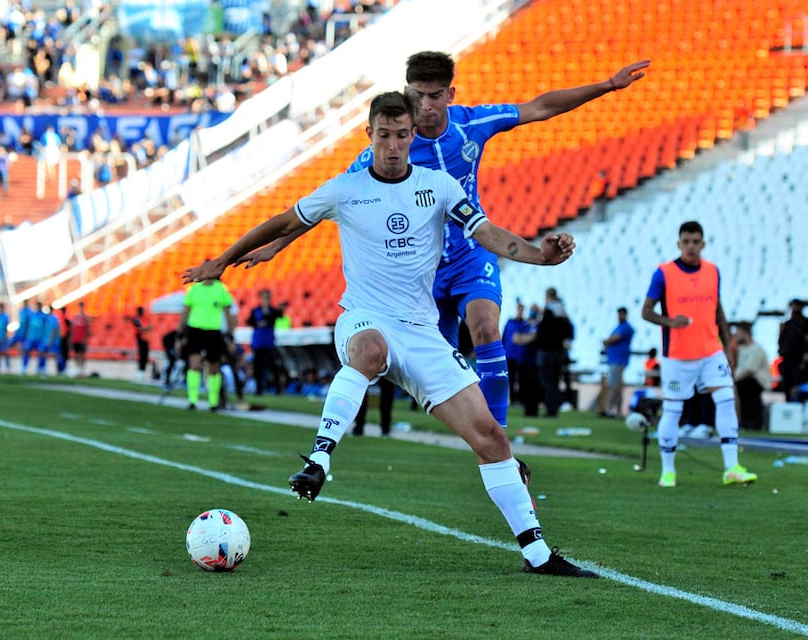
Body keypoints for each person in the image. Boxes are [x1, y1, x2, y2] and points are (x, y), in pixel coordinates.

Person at [182, 91, 594, 577]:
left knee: (492, 439)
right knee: (370, 350)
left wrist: (539, 254)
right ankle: (318, 460)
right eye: (384, 135)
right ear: (369, 135)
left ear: (412, 136)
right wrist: (221, 261)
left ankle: (538, 555)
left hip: (421, 332)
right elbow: (282, 221)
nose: (394, 145)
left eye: (402, 135)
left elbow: (485, 234)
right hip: (363, 317)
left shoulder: (439, 186)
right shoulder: (345, 189)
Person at [242, 51, 648, 435]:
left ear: (450, 94)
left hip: (472, 254)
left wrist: (608, 85)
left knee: (487, 328)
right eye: (417, 94)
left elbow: (540, 107)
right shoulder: (387, 149)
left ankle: (501, 438)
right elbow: (332, 200)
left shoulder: (473, 124)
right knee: (438, 377)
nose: (426, 104)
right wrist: (279, 245)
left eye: (435, 95)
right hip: (421, 274)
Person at [641, 221, 758, 487]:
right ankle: (668, 471)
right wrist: (671, 322)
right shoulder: (663, 273)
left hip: (710, 350)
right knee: (673, 409)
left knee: (727, 400)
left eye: (696, 241)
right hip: (677, 355)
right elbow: (646, 311)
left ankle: (732, 467)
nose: (691, 246)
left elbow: (718, 311)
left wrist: (728, 346)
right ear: (679, 244)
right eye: (686, 241)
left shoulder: (713, 271)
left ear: (703, 243)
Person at [178, 278, 237, 411]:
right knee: (195, 364)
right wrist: (180, 333)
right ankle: (192, 400)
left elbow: (228, 312)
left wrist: (230, 335)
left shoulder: (221, 289)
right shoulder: (194, 289)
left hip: (213, 331)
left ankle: (213, 402)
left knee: (214, 366)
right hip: (195, 329)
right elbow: (186, 311)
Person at [246, 288, 284, 395]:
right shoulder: (255, 310)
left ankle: (277, 389)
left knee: (273, 367)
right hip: (258, 343)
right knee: (258, 367)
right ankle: (259, 389)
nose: (266, 299)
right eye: (264, 297)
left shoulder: (273, 311)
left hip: (269, 343)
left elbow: (277, 316)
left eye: (268, 297)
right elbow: (250, 321)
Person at [733, 323, 770, 431]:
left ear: (746, 334)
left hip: (757, 380)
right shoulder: (742, 348)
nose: (736, 337)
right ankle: (741, 421)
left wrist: (734, 382)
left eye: (738, 334)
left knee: (738, 387)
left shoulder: (756, 348)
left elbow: (749, 370)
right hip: (745, 379)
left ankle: (748, 422)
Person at [601, 306, 635, 418]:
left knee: (614, 385)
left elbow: (613, 339)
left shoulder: (626, 328)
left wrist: (606, 341)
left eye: (621, 314)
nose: (619, 316)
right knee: (617, 386)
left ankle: (609, 409)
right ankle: (617, 411)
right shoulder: (618, 327)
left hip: (619, 360)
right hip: (614, 360)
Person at [777, 298, 806, 401]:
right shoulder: (787, 324)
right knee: (787, 387)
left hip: (798, 360)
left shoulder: (805, 323)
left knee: (797, 386)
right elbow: (781, 342)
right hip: (786, 359)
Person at [501, 302, 527, 405]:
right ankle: (513, 399)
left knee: (520, 378)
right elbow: (504, 338)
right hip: (510, 355)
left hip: (520, 357)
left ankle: (520, 399)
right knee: (511, 378)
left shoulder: (525, 325)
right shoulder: (510, 323)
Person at [70, 301, 91, 377]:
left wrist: (85, 339)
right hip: (75, 339)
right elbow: (73, 329)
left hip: (82, 339)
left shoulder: (86, 317)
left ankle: (81, 370)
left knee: (81, 355)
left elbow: (87, 329)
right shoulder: (75, 317)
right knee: (76, 355)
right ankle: (77, 369)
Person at [132, 306, 152, 381]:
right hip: (140, 338)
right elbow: (140, 328)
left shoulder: (144, 318)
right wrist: (147, 328)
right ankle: (140, 372)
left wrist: (147, 328)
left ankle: (142, 371)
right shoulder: (136, 319)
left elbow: (149, 326)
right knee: (142, 354)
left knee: (145, 354)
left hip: (145, 338)